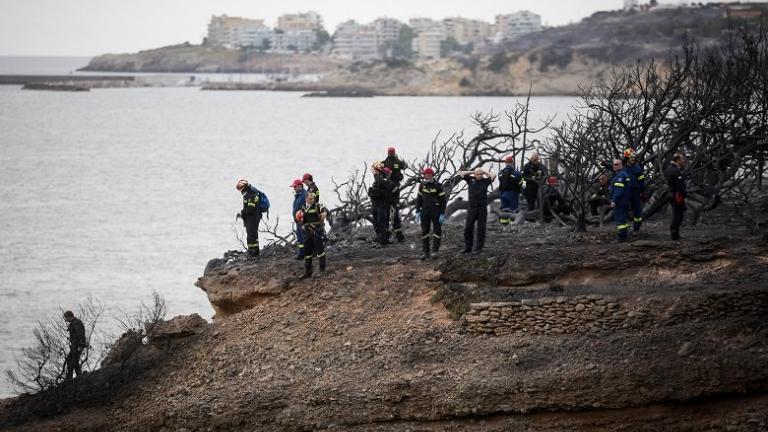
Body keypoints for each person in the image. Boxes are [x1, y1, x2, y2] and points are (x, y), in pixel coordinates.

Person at [458, 168, 496, 253]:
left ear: (482, 175)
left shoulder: (486, 181)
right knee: (468, 228)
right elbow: (461, 173)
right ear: (474, 175)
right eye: (477, 174)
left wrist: (484, 171)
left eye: (480, 174)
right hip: (472, 208)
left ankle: (478, 248)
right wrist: (473, 171)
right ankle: (468, 248)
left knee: (481, 228)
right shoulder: (470, 180)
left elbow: (493, 175)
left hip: (482, 208)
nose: (479, 175)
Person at [415, 167, 447, 260]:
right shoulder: (422, 185)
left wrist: (442, 213)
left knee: (437, 231)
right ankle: (426, 252)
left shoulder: (438, 185)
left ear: (430, 175)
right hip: (425, 211)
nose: (424, 176)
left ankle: (435, 251)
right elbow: (419, 199)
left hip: (436, 211)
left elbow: (443, 201)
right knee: (425, 231)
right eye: (423, 174)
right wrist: (417, 211)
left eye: (425, 174)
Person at [295, 192, 328, 278]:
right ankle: (308, 271)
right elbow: (299, 218)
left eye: (313, 199)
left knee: (320, 250)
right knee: (307, 252)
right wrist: (297, 217)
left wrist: (324, 213)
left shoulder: (317, 205)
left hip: (317, 231)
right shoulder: (303, 207)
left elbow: (324, 209)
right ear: (306, 199)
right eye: (310, 199)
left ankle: (322, 270)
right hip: (307, 233)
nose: (312, 200)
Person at [381, 147, 408, 242]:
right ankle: (386, 237)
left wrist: (404, 164)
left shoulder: (397, 162)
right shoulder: (384, 162)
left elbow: (405, 167)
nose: (391, 153)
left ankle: (399, 237)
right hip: (387, 189)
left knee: (394, 213)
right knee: (387, 213)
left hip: (394, 188)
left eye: (392, 152)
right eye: (390, 152)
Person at [368, 163, 397, 247]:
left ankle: (382, 242)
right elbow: (372, 192)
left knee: (382, 224)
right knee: (377, 224)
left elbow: (386, 192)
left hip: (382, 206)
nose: (389, 174)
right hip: (375, 205)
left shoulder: (387, 182)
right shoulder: (378, 182)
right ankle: (381, 240)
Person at [236, 179, 262, 258]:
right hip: (251, 218)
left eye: (240, 188)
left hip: (253, 218)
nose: (240, 190)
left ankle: (254, 251)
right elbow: (247, 208)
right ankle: (251, 249)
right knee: (251, 234)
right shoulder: (248, 194)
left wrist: (242, 213)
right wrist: (243, 215)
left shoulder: (251, 195)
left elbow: (250, 208)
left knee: (252, 235)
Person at [623, 148, 646, 233]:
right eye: (631, 157)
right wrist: (605, 163)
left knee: (637, 211)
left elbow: (641, 181)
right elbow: (613, 167)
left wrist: (643, 192)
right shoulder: (623, 168)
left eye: (634, 157)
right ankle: (624, 229)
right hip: (625, 192)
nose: (633, 159)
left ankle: (636, 228)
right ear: (627, 158)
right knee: (624, 210)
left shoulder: (638, 169)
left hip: (635, 192)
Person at [665, 153, 687, 241]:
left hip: (672, 195)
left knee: (677, 215)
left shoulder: (669, 168)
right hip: (677, 196)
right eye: (682, 159)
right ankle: (674, 235)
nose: (683, 161)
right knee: (678, 216)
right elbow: (679, 186)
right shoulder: (675, 170)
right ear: (677, 160)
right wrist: (682, 195)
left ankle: (675, 234)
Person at [498, 155, 525, 225]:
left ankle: (504, 225)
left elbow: (500, 181)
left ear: (505, 163)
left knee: (504, 210)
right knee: (514, 210)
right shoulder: (516, 173)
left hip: (502, 194)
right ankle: (513, 226)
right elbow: (521, 182)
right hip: (513, 194)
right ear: (512, 163)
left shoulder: (500, 173)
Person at [609, 159, 632, 242]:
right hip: (624, 201)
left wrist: (614, 200)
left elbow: (619, 191)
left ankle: (620, 237)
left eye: (616, 164)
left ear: (621, 165)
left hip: (620, 202)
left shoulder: (620, 176)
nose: (614, 166)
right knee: (623, 220)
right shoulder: (623, 174)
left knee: (620, 219)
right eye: (613, 164)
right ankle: (624, 236)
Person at [63, 310, 86, 380]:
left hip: (77, 347)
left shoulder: (76, 323)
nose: (66, 320)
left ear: (69, 316)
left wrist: (80, 346)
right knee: (74, 363)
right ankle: (79, 377)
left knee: (71, 363)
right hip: (74, 346)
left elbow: (80, 335)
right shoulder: (74, 323)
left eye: (66, 318)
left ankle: (70, 379)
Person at [291, 179, 307, 260]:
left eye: (295, 186)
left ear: (300, 186)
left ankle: (306, 253)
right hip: (298, 221)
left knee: (304, 237)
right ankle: (301, 253)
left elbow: (307, 207)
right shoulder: (298, 195)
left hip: (303, 221)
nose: (294, 188)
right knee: (300, 237)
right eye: (293, 187)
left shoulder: (305, 195)